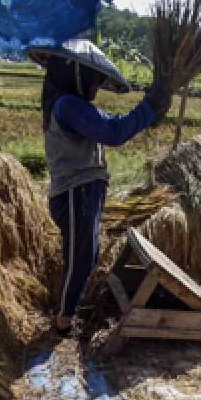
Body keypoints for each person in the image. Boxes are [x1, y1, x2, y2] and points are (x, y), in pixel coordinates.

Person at [28, 40, 172, 335]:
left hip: (83, 191)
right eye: (92, 79)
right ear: (74, 73)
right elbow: (113, 132)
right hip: (75, 192)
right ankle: (63, 320)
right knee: (80, 257)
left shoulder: (71, 104)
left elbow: (112, 124)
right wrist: (148, 109)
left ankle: (65, 312)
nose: (94, 87)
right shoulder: (67, 105)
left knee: (86, 254)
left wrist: (148, 114)